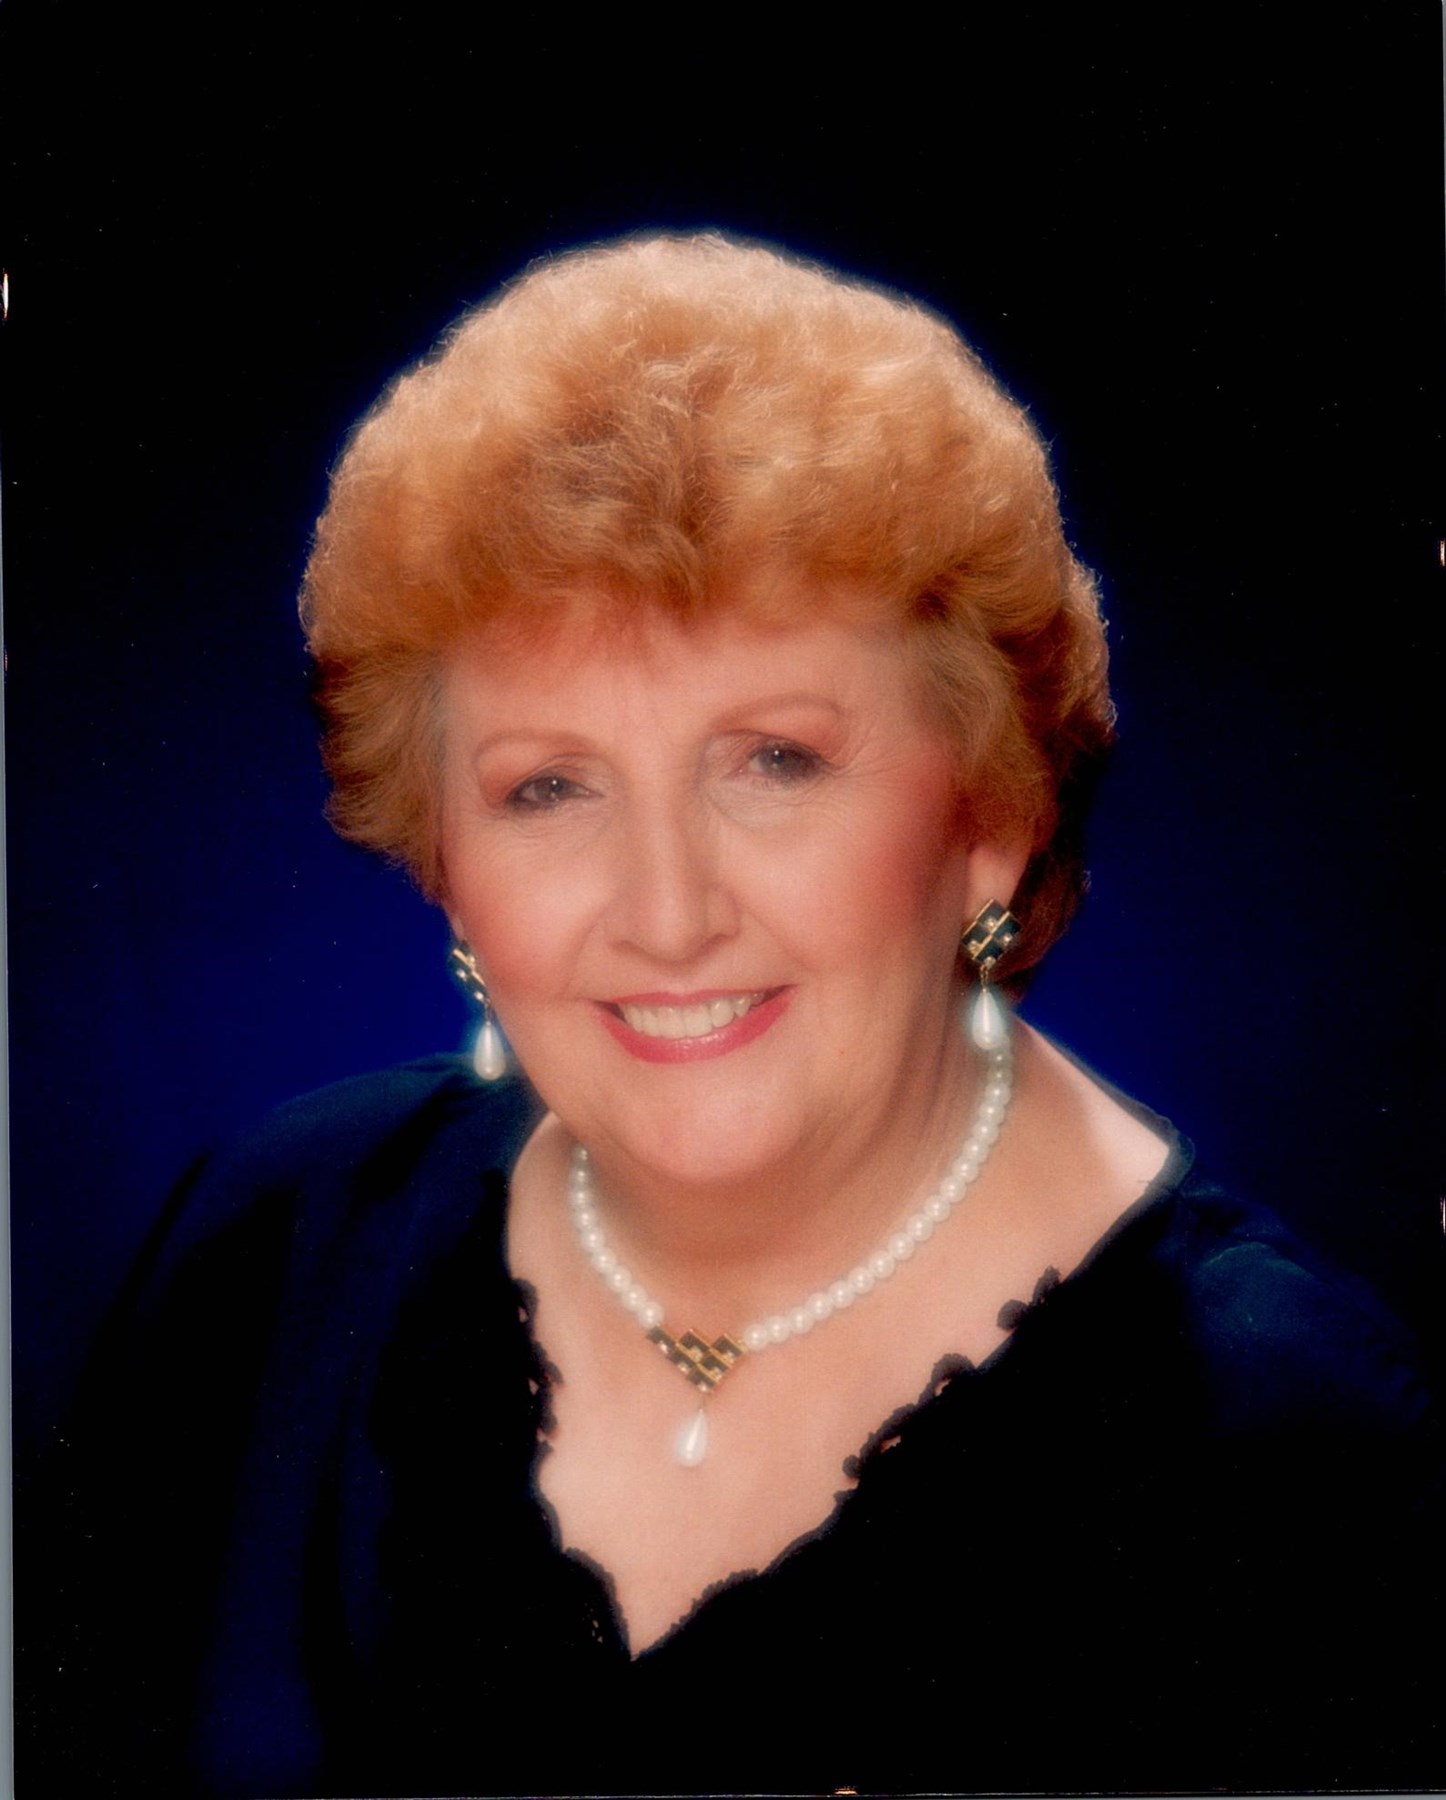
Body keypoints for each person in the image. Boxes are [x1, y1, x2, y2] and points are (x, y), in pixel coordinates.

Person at [22, 233, 1440, 1797]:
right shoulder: (268, 1253)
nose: (665, 910)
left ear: (987, 811)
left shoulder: (1291, 1457)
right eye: (547, 787)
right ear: (444, 860)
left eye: (773, 761)